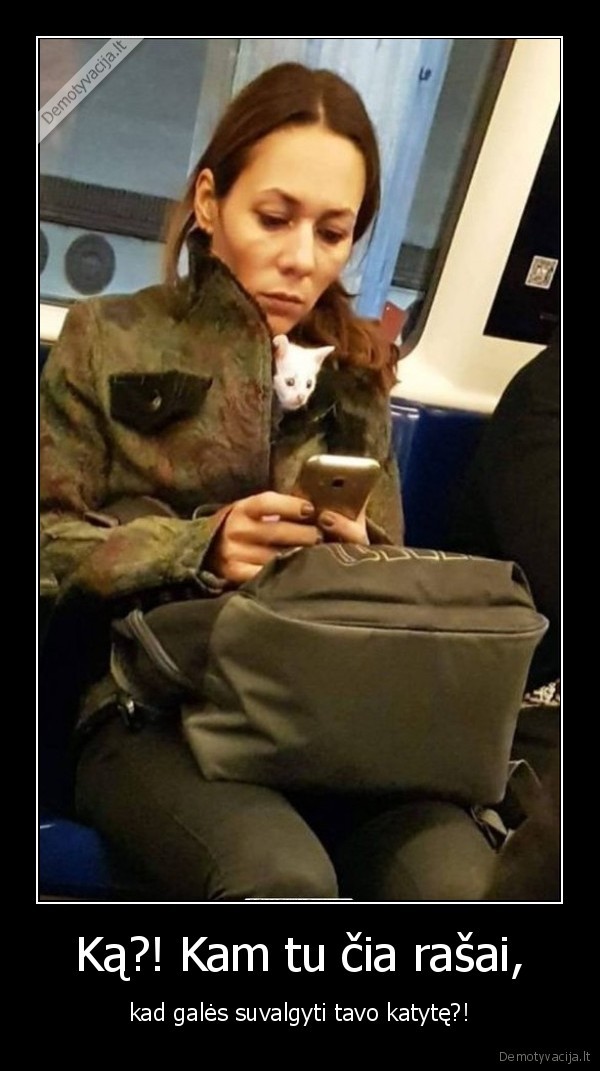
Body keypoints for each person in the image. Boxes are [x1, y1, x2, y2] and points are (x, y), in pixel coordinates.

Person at [40, 62, 490, 901]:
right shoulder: (107, 337)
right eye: (274, 219)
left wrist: (355, 556)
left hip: (330, 708)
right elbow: (47, 543)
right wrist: (200, 546)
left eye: (333, 232)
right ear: (210, 202)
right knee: (282, 878)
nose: (301, 259)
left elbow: (396, 575)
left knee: (461, 884)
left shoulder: (356, 372)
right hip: (153, 706)